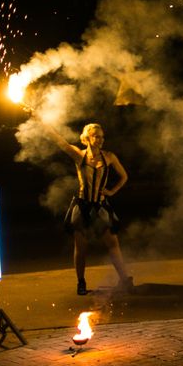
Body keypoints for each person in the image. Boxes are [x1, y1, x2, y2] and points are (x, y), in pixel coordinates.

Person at [35, 116, 134, 295]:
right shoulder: (79, 155)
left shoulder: (109, 157)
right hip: (82, 206)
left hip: (101, 206)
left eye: (102, 136)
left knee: (113, 244)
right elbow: (58, 140)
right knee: (81, 247)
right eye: (96, 136)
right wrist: (39, 118)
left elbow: (124, 176)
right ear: (87, 138)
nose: (101, 140)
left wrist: (112, 191)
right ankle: (81, 282)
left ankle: (124, 280)